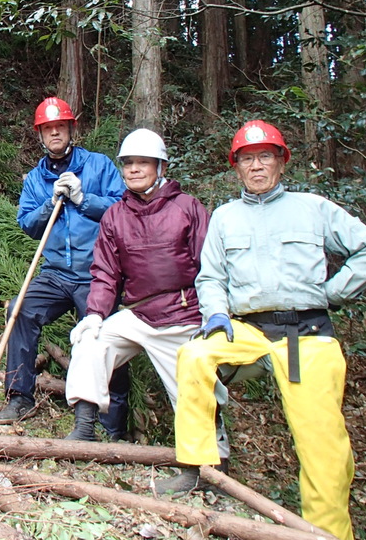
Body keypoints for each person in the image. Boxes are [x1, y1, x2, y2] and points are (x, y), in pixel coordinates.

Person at [172, 120, 366, 540]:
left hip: (308, 334)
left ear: (281, 161)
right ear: (236, 167)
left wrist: (332, 292)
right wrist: (215, 312)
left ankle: (327, 532)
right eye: (247, 159)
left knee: (323, 449)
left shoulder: (313, 208)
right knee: (194, 355)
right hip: (249, 331)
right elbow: (210, 277)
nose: (256, 167)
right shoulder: (225, 217)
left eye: (265, 157)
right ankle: (198, 466)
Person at [63, 129, 230, 476]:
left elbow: (211, 266)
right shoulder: (115, 215)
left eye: (143, 162)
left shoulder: (188, 208)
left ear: (160, 166)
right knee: (90, 342)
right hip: (138, 314)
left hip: (183, 314)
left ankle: (215, 465)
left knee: (193, 391)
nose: (134, 169)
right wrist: (94, 314)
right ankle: (84, 430)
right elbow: (106, 273)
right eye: (128, 163)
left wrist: (215, 312)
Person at [0, 97, 129, 430]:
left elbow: (123, 210)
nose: (55, 133)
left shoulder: (98, 166)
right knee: (19, 310)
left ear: (71, 129)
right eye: (48, 129)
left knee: (105, 336)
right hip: (54, 274)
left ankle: (112, 422)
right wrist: (49, 202)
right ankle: (19, 398)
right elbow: (27, 223)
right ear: (40, 135)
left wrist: (84, 199)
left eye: (60, 127)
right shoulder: (35, 180)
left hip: (97, 274)